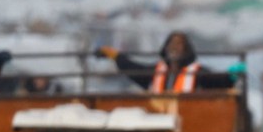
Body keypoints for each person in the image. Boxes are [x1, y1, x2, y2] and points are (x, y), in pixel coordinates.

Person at [99, 32, 232, 93]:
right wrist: (116, 56)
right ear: (166, 47)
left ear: (186, 49)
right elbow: (134, 69)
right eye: (171, 43)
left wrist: (232, 76)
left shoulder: (197, 72)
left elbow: (218, 81)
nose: (174, 47)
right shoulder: (156, 71)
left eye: (179, 44)